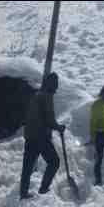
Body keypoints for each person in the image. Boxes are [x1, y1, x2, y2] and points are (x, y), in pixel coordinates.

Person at [20, 72, 66, 200]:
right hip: (41, 136)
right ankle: (43, 188)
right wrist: (59, 127)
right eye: (56, 84)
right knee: (54, 162)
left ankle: (23, 193)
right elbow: (49, 119)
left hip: (30, 136)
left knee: (27, 166)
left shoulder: (37, 95)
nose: (56, 87)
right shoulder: (47, 96)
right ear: (52, 84)